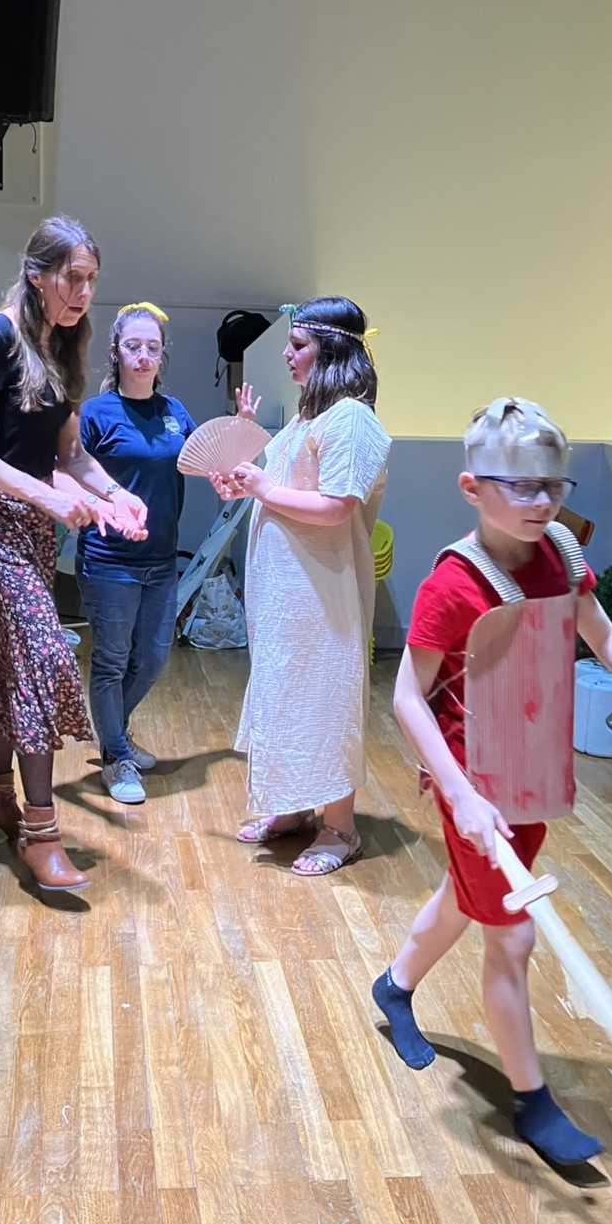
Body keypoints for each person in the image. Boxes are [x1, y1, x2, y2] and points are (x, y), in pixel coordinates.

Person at [372, 396, 612, 1165]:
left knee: (465, 897)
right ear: (471, 487)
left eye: (553, 484)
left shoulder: (559, 551)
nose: (540, 501)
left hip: (531, 772)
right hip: (472, 783)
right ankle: (533, 1103)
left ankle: (395, 986)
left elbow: (603, 635)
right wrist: (457, 792)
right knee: (512, 934)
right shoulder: (452, 584)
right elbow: (406, 696)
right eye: (519, 485)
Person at [0, 217, 148, 893]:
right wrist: (46, 496)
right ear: (37, 275)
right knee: (40, 653)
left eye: (92, 280)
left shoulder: (63, 341)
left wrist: (116, 496)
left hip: (31, 522)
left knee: (8, 657)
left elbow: (70, 454)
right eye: (72, 278)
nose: (84, 292)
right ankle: (41, 829)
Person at [212, 296, 391, 875]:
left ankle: (341, 828)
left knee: (324, 700)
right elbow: (279, 486)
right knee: (285, 693)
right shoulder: (307, 418)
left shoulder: (352, 420)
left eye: (297, 345)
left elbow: (337, 506)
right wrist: (244, 482)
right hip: (285, 599)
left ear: (331, 350)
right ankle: (291, 807)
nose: (287, 355)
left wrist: (264, 489)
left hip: (323, 597)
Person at [76, 304, 197, 804]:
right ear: (116, 351)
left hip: (161, 560)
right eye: (133, 347)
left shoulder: (175, 412)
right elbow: (68, 473)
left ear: (162, 355)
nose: (143, 356)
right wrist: (101, 504)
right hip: (109, 560)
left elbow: (204, 462)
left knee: (151, 659)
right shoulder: (95, 413)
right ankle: (116, 755)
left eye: (152, 347)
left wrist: (237, 443)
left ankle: (112, 733)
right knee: (111, 661)